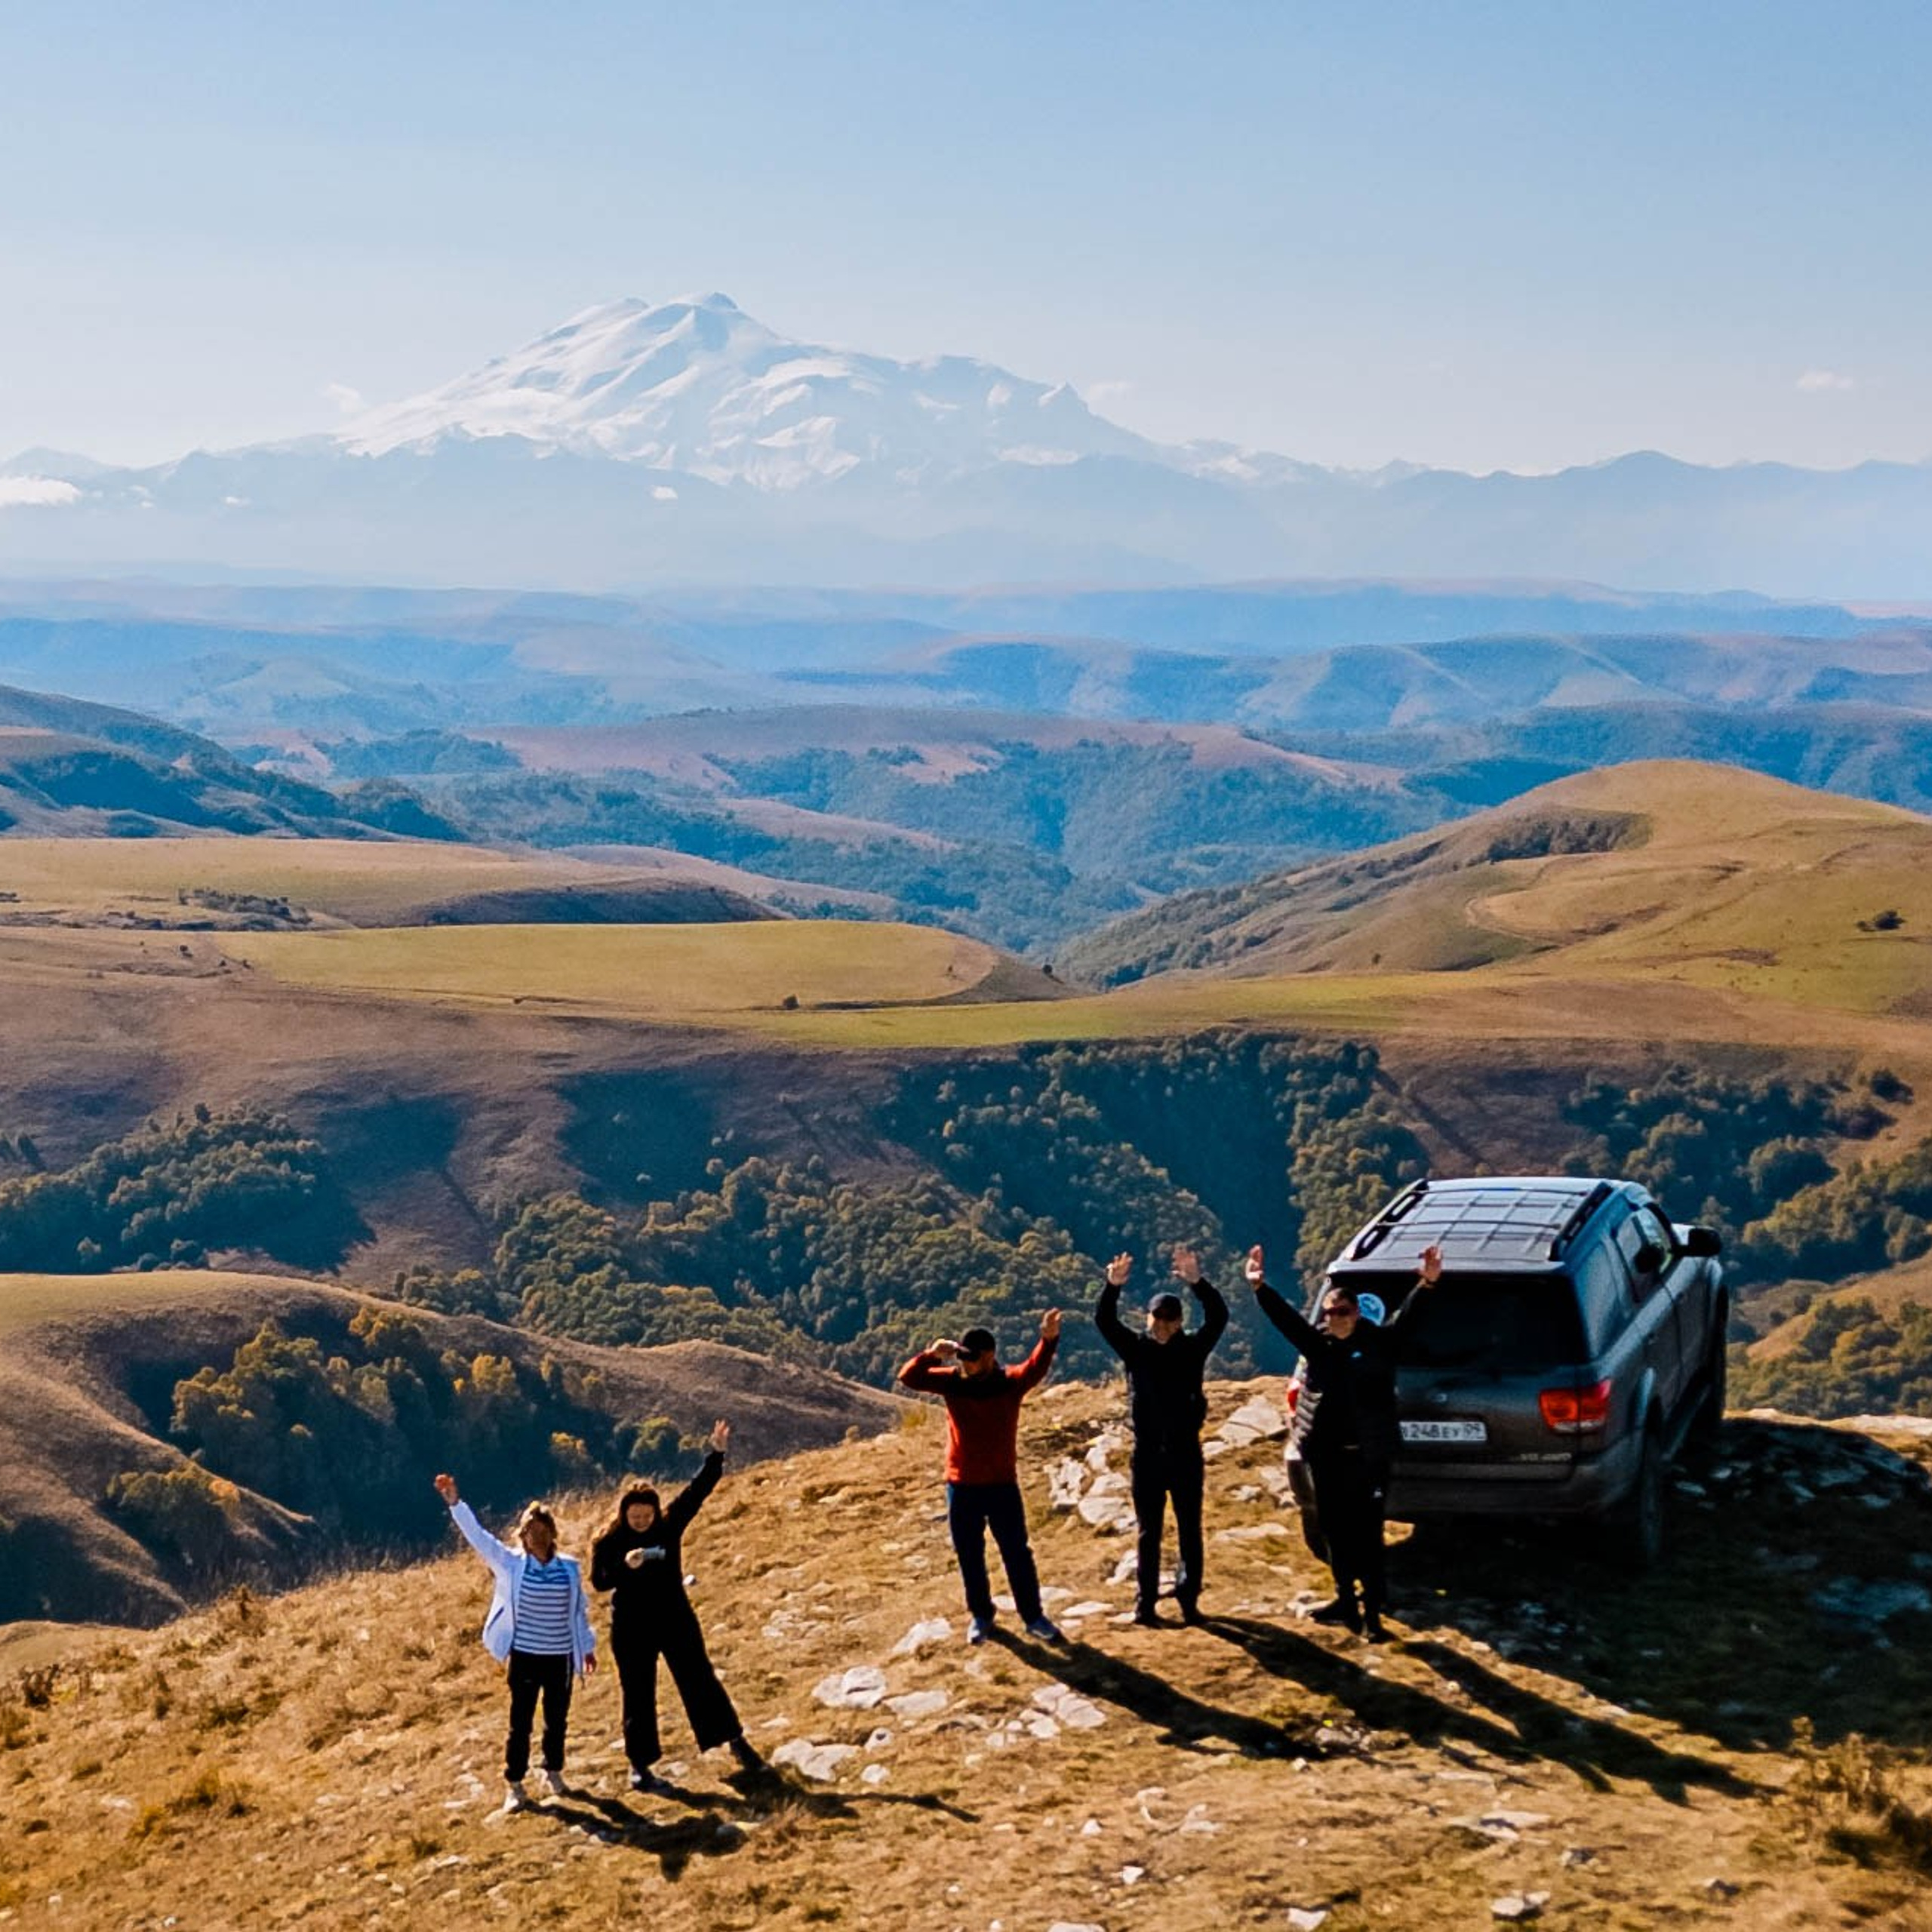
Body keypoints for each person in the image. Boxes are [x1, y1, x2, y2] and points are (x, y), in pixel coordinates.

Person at [1244, 1241, 1442, 1642]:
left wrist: (1428, 1285)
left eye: (1343, 1312)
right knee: (1334, 1530)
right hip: (1327, 1457)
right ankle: (1344, 1601)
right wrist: (1259, 1287)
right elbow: (1288, 1322)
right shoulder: (1320, 1346)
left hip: (1368, 1458)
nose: (1335, 1319)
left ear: (1356, 1314)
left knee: (1368, 1534)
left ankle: (1373, 1614)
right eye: (1331, 1313)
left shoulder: (1379, 1345)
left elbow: (1410, 1321)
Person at [589, 1419, 764, 1791]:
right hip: (632, 1628)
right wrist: (625, 1567)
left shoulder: (668, 1527)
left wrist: (716, 1454)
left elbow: (696, 1493)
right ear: (624, 1515)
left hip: (675, 1618)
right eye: (634, 1517)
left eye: (646, 1516)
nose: (641, 1522)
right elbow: (599, 1582)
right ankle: (640, 1766)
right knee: (638, 1694)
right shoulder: (608, 1542)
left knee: (699, 1678)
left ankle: (735, 1742)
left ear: (654, 1512)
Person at [433, 1471, 597, 1813]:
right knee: (520, 1722)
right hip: (524, 1655)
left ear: (552, 1534)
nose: (533, 1538)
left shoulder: (569, 1569)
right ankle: (515, 1784)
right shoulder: (510, 1564)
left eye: (540, 1532)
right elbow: (478, 1538)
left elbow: (578, 1611)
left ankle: (553, 1773)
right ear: (521, 1534)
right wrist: (455, 1503)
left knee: (557, 1719)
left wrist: (587, 1648)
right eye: (528, 1532)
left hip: (561, 1656)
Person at [897, 1311, 1064, 1645]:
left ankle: (1033, 1616)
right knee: (969, 1555)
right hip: (961, 1487)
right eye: (963, 1357)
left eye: (972, 1359)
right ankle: (981, 1616)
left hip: (1002, 1486)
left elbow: (1036, 1368)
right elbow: (909, 1378)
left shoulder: (1009, 1383)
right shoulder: (952, 1382)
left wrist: (1048, 1340)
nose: (966, 1364)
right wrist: (932, 1354)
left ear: (990, 1356)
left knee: (1016, 1553)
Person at [1094, 1245, 1228, 1626]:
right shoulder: (1136, 1349)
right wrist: (1112, 1286)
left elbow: (1219, 1317)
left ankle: (1188, 1601)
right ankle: (1146, 1605)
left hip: (1185, 1453)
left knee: (1190, 1529)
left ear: (1180, 1320)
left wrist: (1198, 1282)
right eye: (1159, 1317)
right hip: (1149, 1456)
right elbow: (1104, 1321)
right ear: (1148, 1317)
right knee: (1148, 1532)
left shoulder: (1191, 1350)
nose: (1164, 1324)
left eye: (1171, 1318)